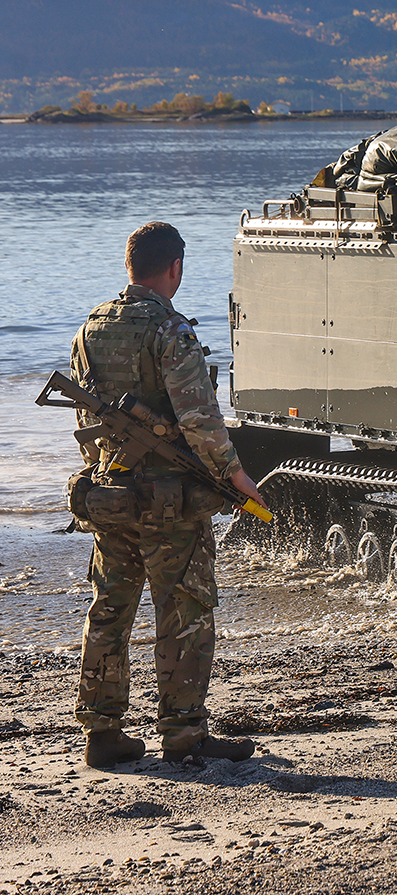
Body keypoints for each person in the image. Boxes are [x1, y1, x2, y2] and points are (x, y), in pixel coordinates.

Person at [70, 222, 260, 769]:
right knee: (185, 613)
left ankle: (102, 732)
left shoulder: (91, 327)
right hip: (170, 503)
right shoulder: (170, 330)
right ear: (175, 267)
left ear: (130, 265)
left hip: (111, 494)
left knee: (109, 610)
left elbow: (86, 421)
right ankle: (183, 734)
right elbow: (200, 420)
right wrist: (236, 477)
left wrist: (101, 474)